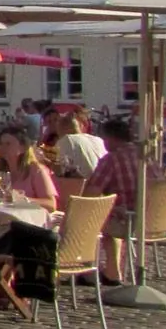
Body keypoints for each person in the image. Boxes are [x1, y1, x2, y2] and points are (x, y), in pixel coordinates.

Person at [84, 117, 142, 284]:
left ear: (110, 138)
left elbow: (89, 197)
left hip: (128, 221)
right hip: (152, 218)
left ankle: (86, 268)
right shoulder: (145, 156)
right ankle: (112, 271)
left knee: (86, 216)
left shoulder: (112, 159)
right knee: (110, 212)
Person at [0, 127, 58, 210]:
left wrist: (22, 200)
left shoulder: (36, 170)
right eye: (1, 144)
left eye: (8, 144)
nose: (3, 147)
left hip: (28, 220)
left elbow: (51, 204)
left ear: (23, 148)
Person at [55, 112, 107, 178]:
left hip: (85, 185)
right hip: (105, 183)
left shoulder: (66, 140)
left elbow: (59, 170)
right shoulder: (98, 139)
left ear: (61, 128)